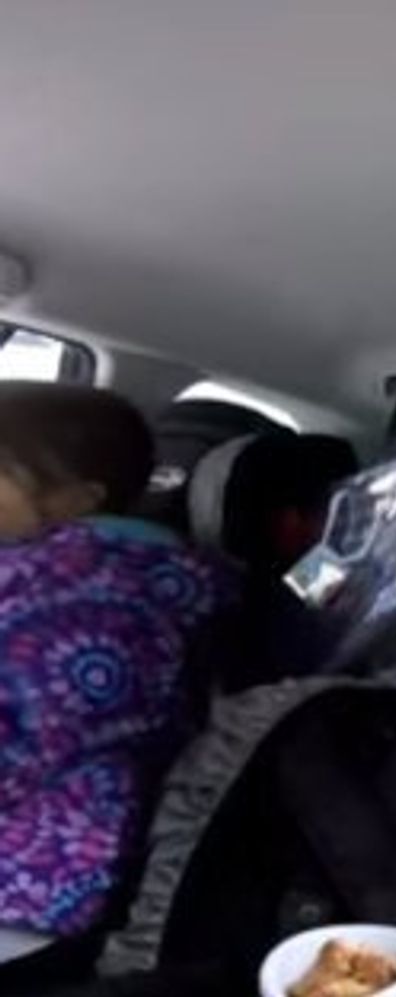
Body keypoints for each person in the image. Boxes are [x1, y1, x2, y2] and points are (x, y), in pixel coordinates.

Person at [0, 384, 225, 960]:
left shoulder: (52, 593)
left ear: (77, 499)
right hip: (85, 864)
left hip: (24, 877)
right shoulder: (172, 577)